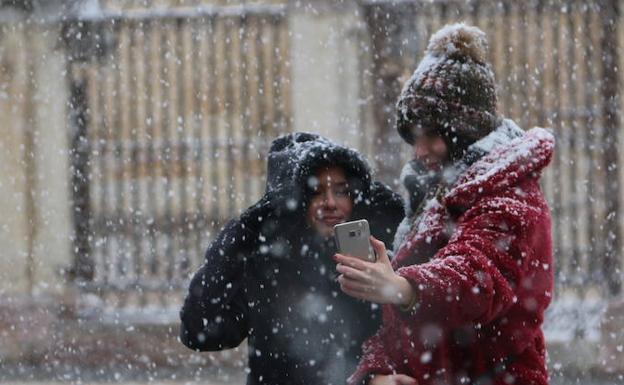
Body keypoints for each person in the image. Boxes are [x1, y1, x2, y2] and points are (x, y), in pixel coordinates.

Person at [334, 23, 555, 385]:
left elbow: (476, 278)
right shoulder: (438, 198)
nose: (419, 152)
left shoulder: (511, 197)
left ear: (466, 130)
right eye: (413, 137)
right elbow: (397, 326)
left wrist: (404, 288)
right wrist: (376, 376)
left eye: (431, 135)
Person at [179, 132, 404, 385]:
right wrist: (235, 242)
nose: (330, 203)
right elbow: (200, 332)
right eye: (316, 192)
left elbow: (408, 339)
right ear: (293, 201)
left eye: (341, 191)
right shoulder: (265, 267)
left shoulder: (377, 259)